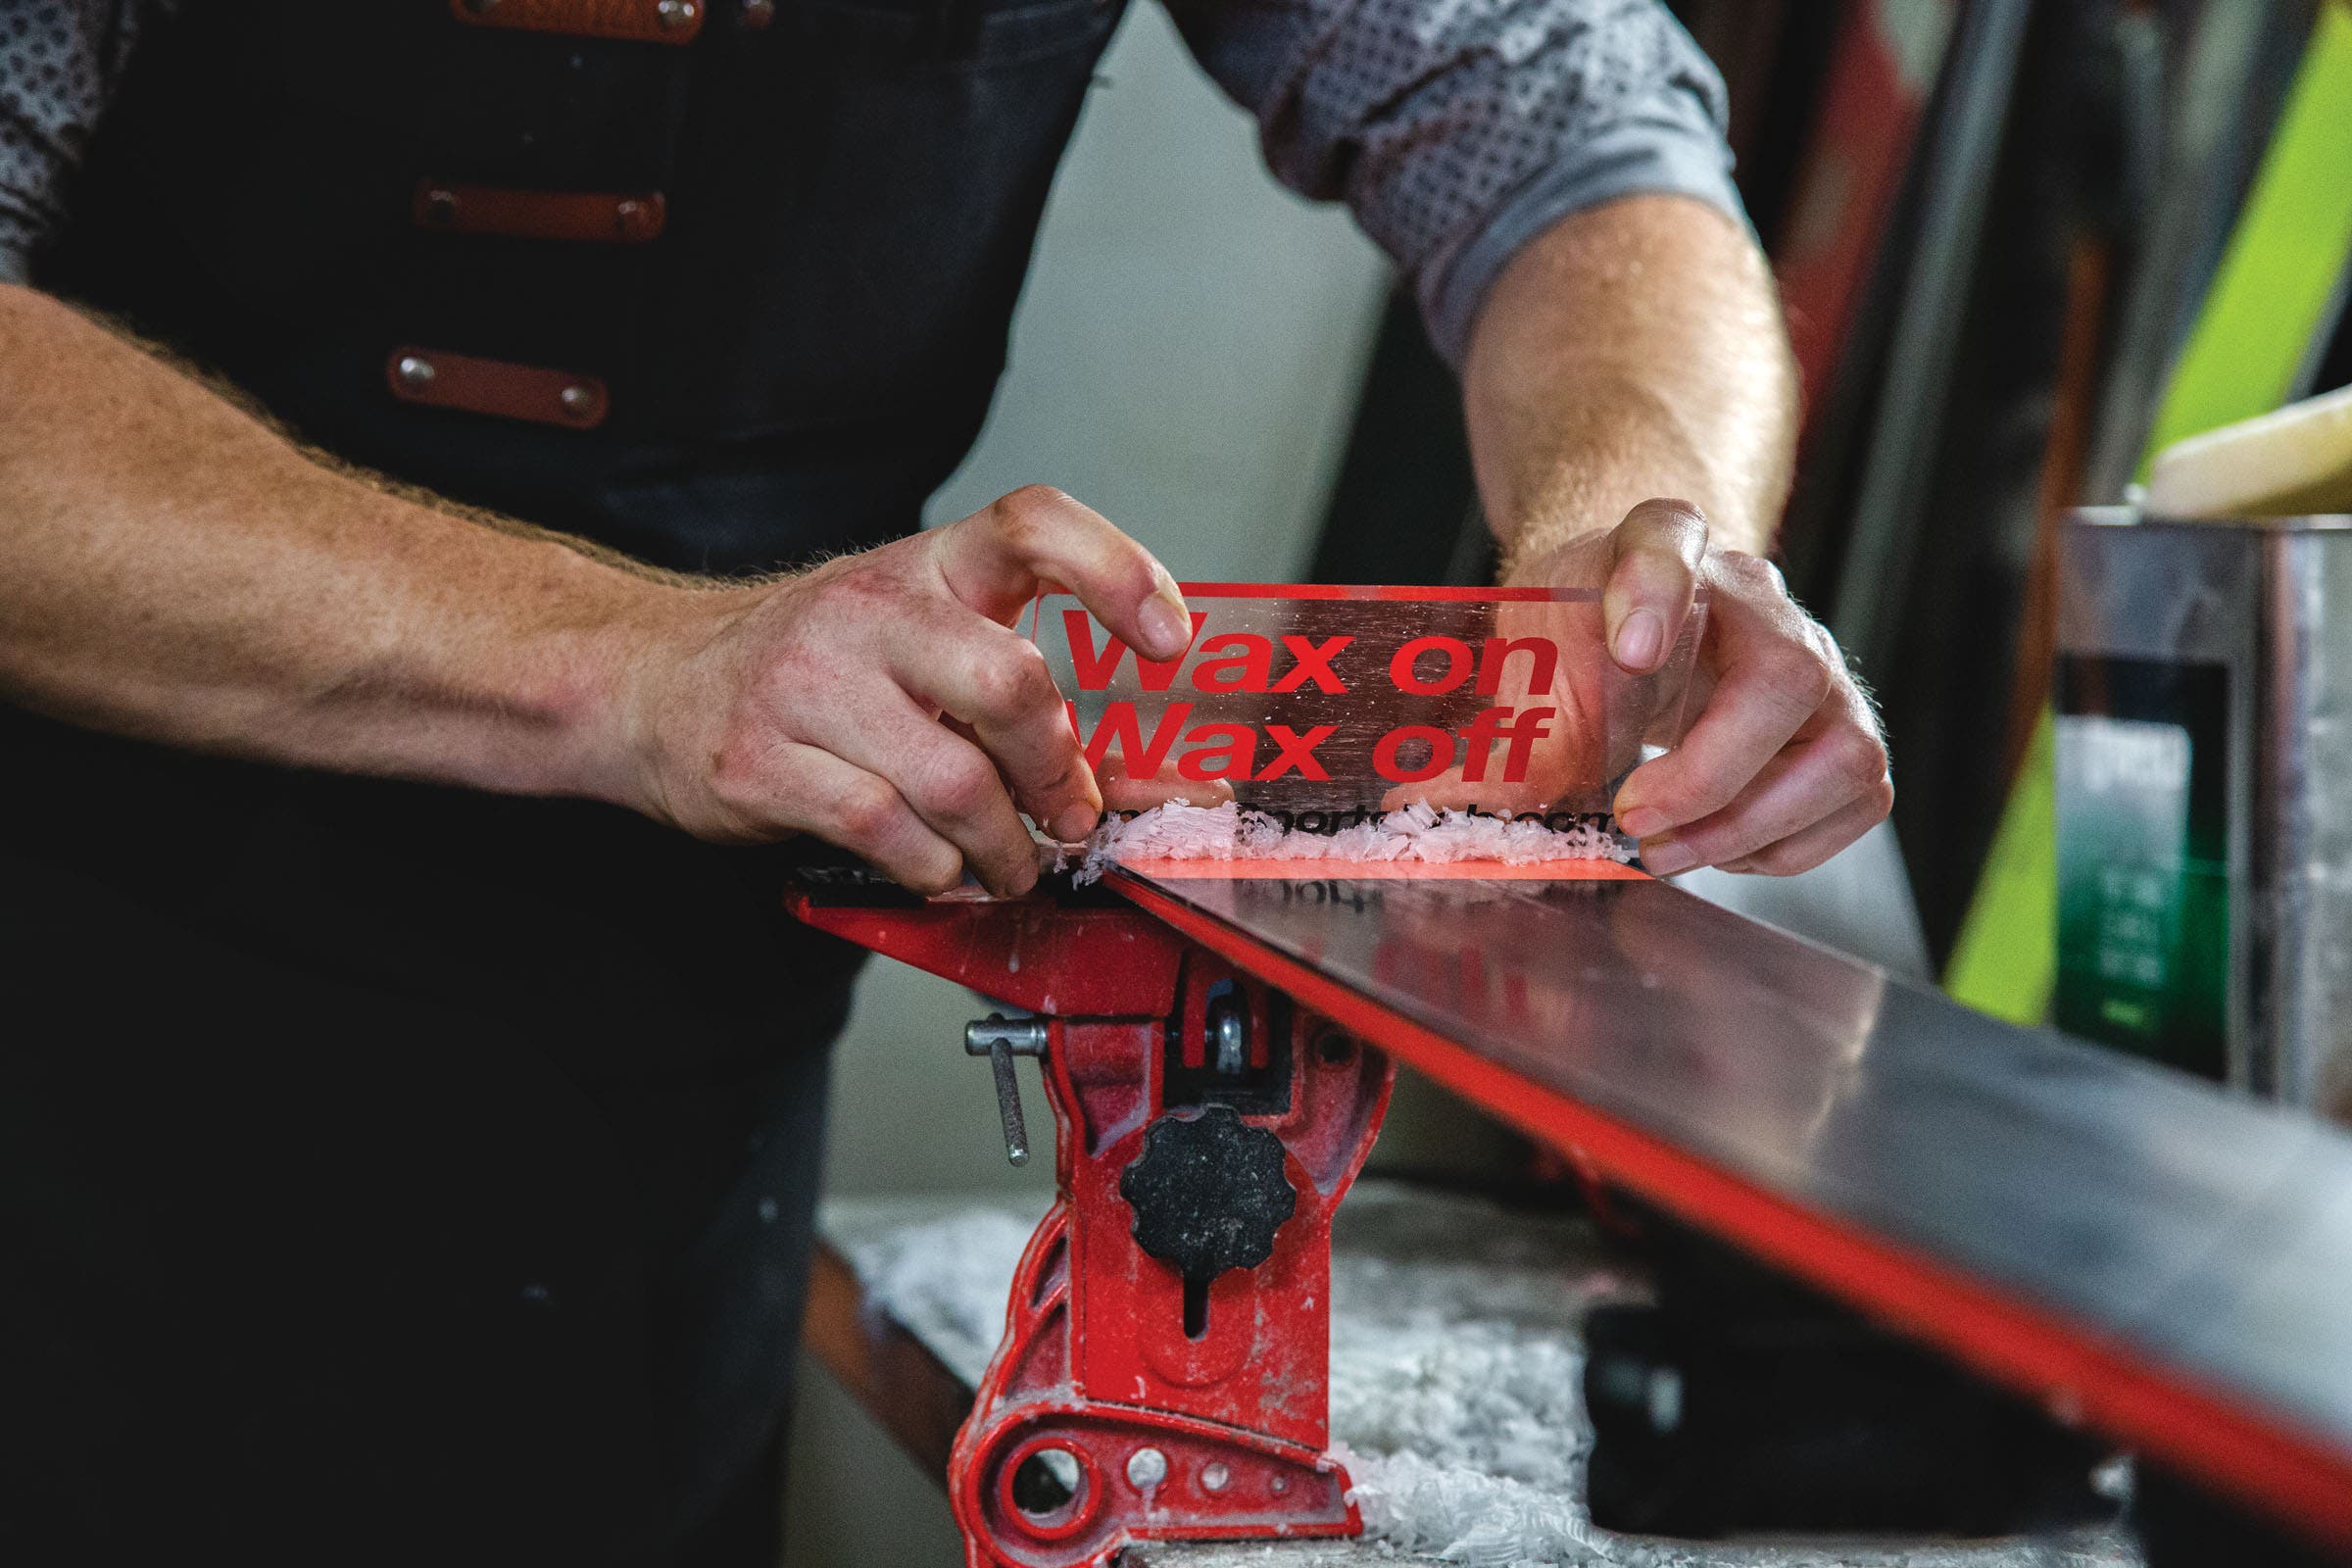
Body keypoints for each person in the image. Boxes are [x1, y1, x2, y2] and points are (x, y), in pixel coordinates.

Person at [0, 1, 1888, 1562]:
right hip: (79, 1028)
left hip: (657, 1098)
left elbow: (1568, 128)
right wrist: (632, 662)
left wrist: (1646, 539)